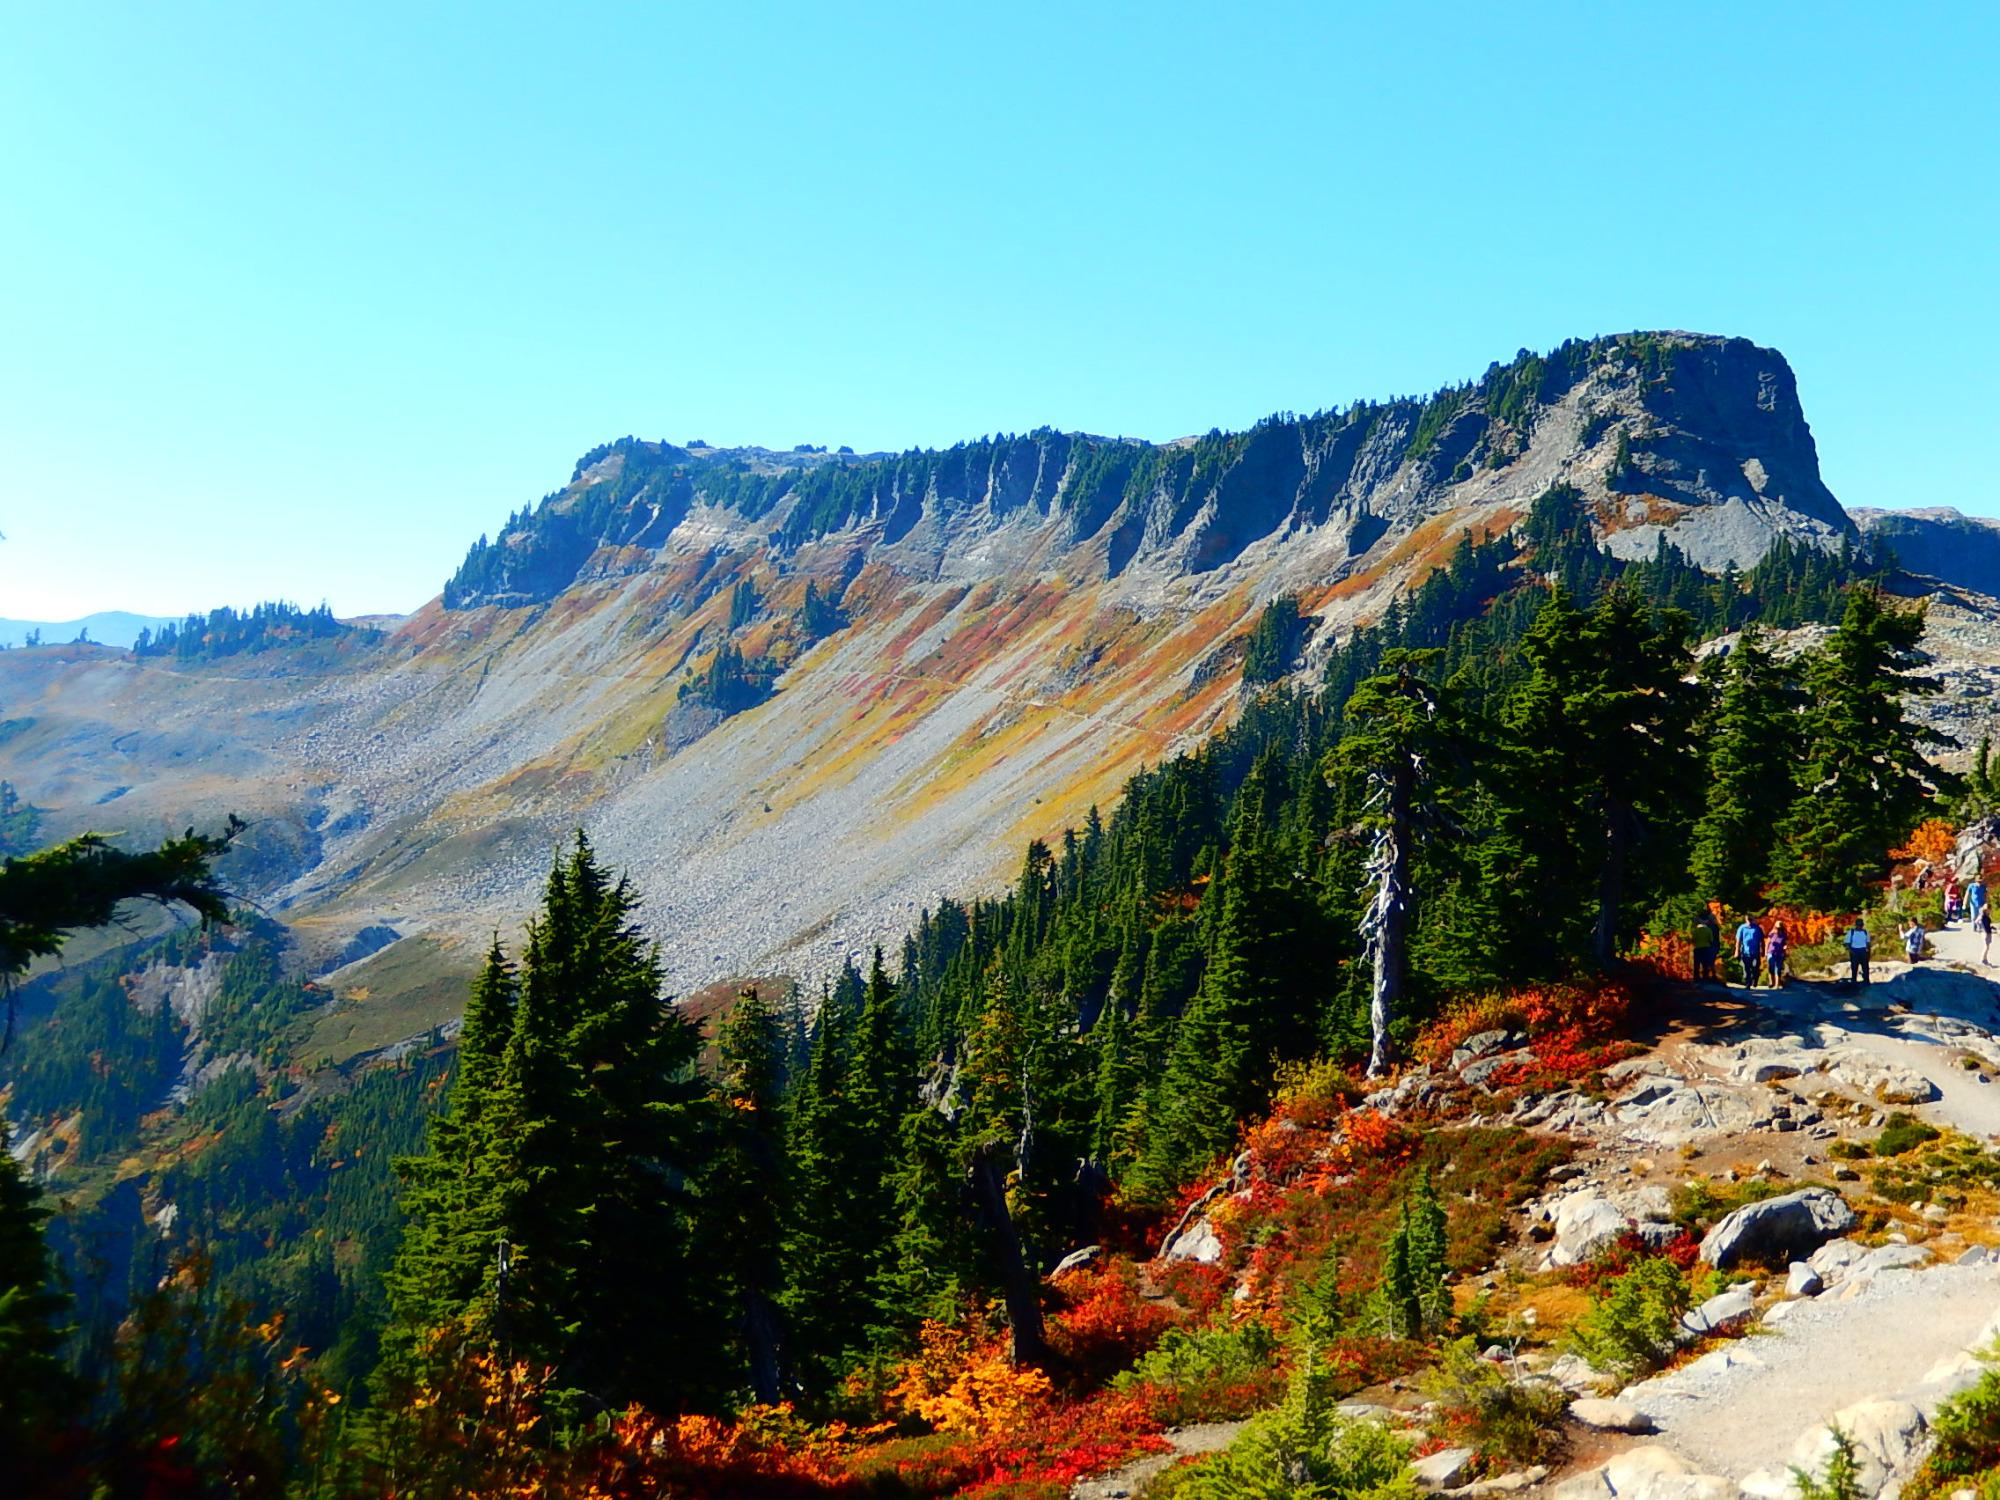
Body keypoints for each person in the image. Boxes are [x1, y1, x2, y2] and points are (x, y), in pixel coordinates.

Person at [1735, 915, 1764, 989]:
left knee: (1755, 967)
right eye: (1748, 920)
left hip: (1755, 952)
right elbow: (1738, 940)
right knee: (1746, 968)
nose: (1750, 921)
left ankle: (1755, 978)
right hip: (1745, 952)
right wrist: (1736, 951)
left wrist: (1762, 950)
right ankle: (1748, 983)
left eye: (1751, 920)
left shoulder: (1757, 928)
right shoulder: (1742, 928)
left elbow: (1762, 940)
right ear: (1746, 920)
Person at [1691, 912, 1720, 982]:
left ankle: (1697, 978)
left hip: (1699, 948)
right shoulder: (1711, 928)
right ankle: (1706, 977)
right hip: (1708, 947)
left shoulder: (1696, 930)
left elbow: (1693, 940)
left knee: (1697, 964)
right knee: (1706, 964)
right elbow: (1711, 939)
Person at [1846, 917, 1872, 984]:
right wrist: (1850, 951)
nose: (1860, 926)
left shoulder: (1866, 932)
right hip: (1854, 951)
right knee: (1854, 968)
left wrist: (1868, 954)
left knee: (1865, 968)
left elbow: (1868, 943)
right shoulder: (1851, 932)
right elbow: (1847, 943)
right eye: (1859, 925)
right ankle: (1854, 981)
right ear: (1856, 925)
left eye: (1861, 925)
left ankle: (1866, 981)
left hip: (1863, 951)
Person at [1766, 919, 1789, 988]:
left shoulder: (1784, 934)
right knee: (1771, 967)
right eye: (1777, 928)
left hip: (1780, 953)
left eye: (1779, 928)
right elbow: (1767, 943)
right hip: (1771, 952)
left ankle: (1777, 984)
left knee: (1778, 969)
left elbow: (1785, 943)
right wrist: (1765, 952)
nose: (1778, 929)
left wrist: (1785, 947)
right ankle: (1771, 982)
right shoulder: (1772, 933)